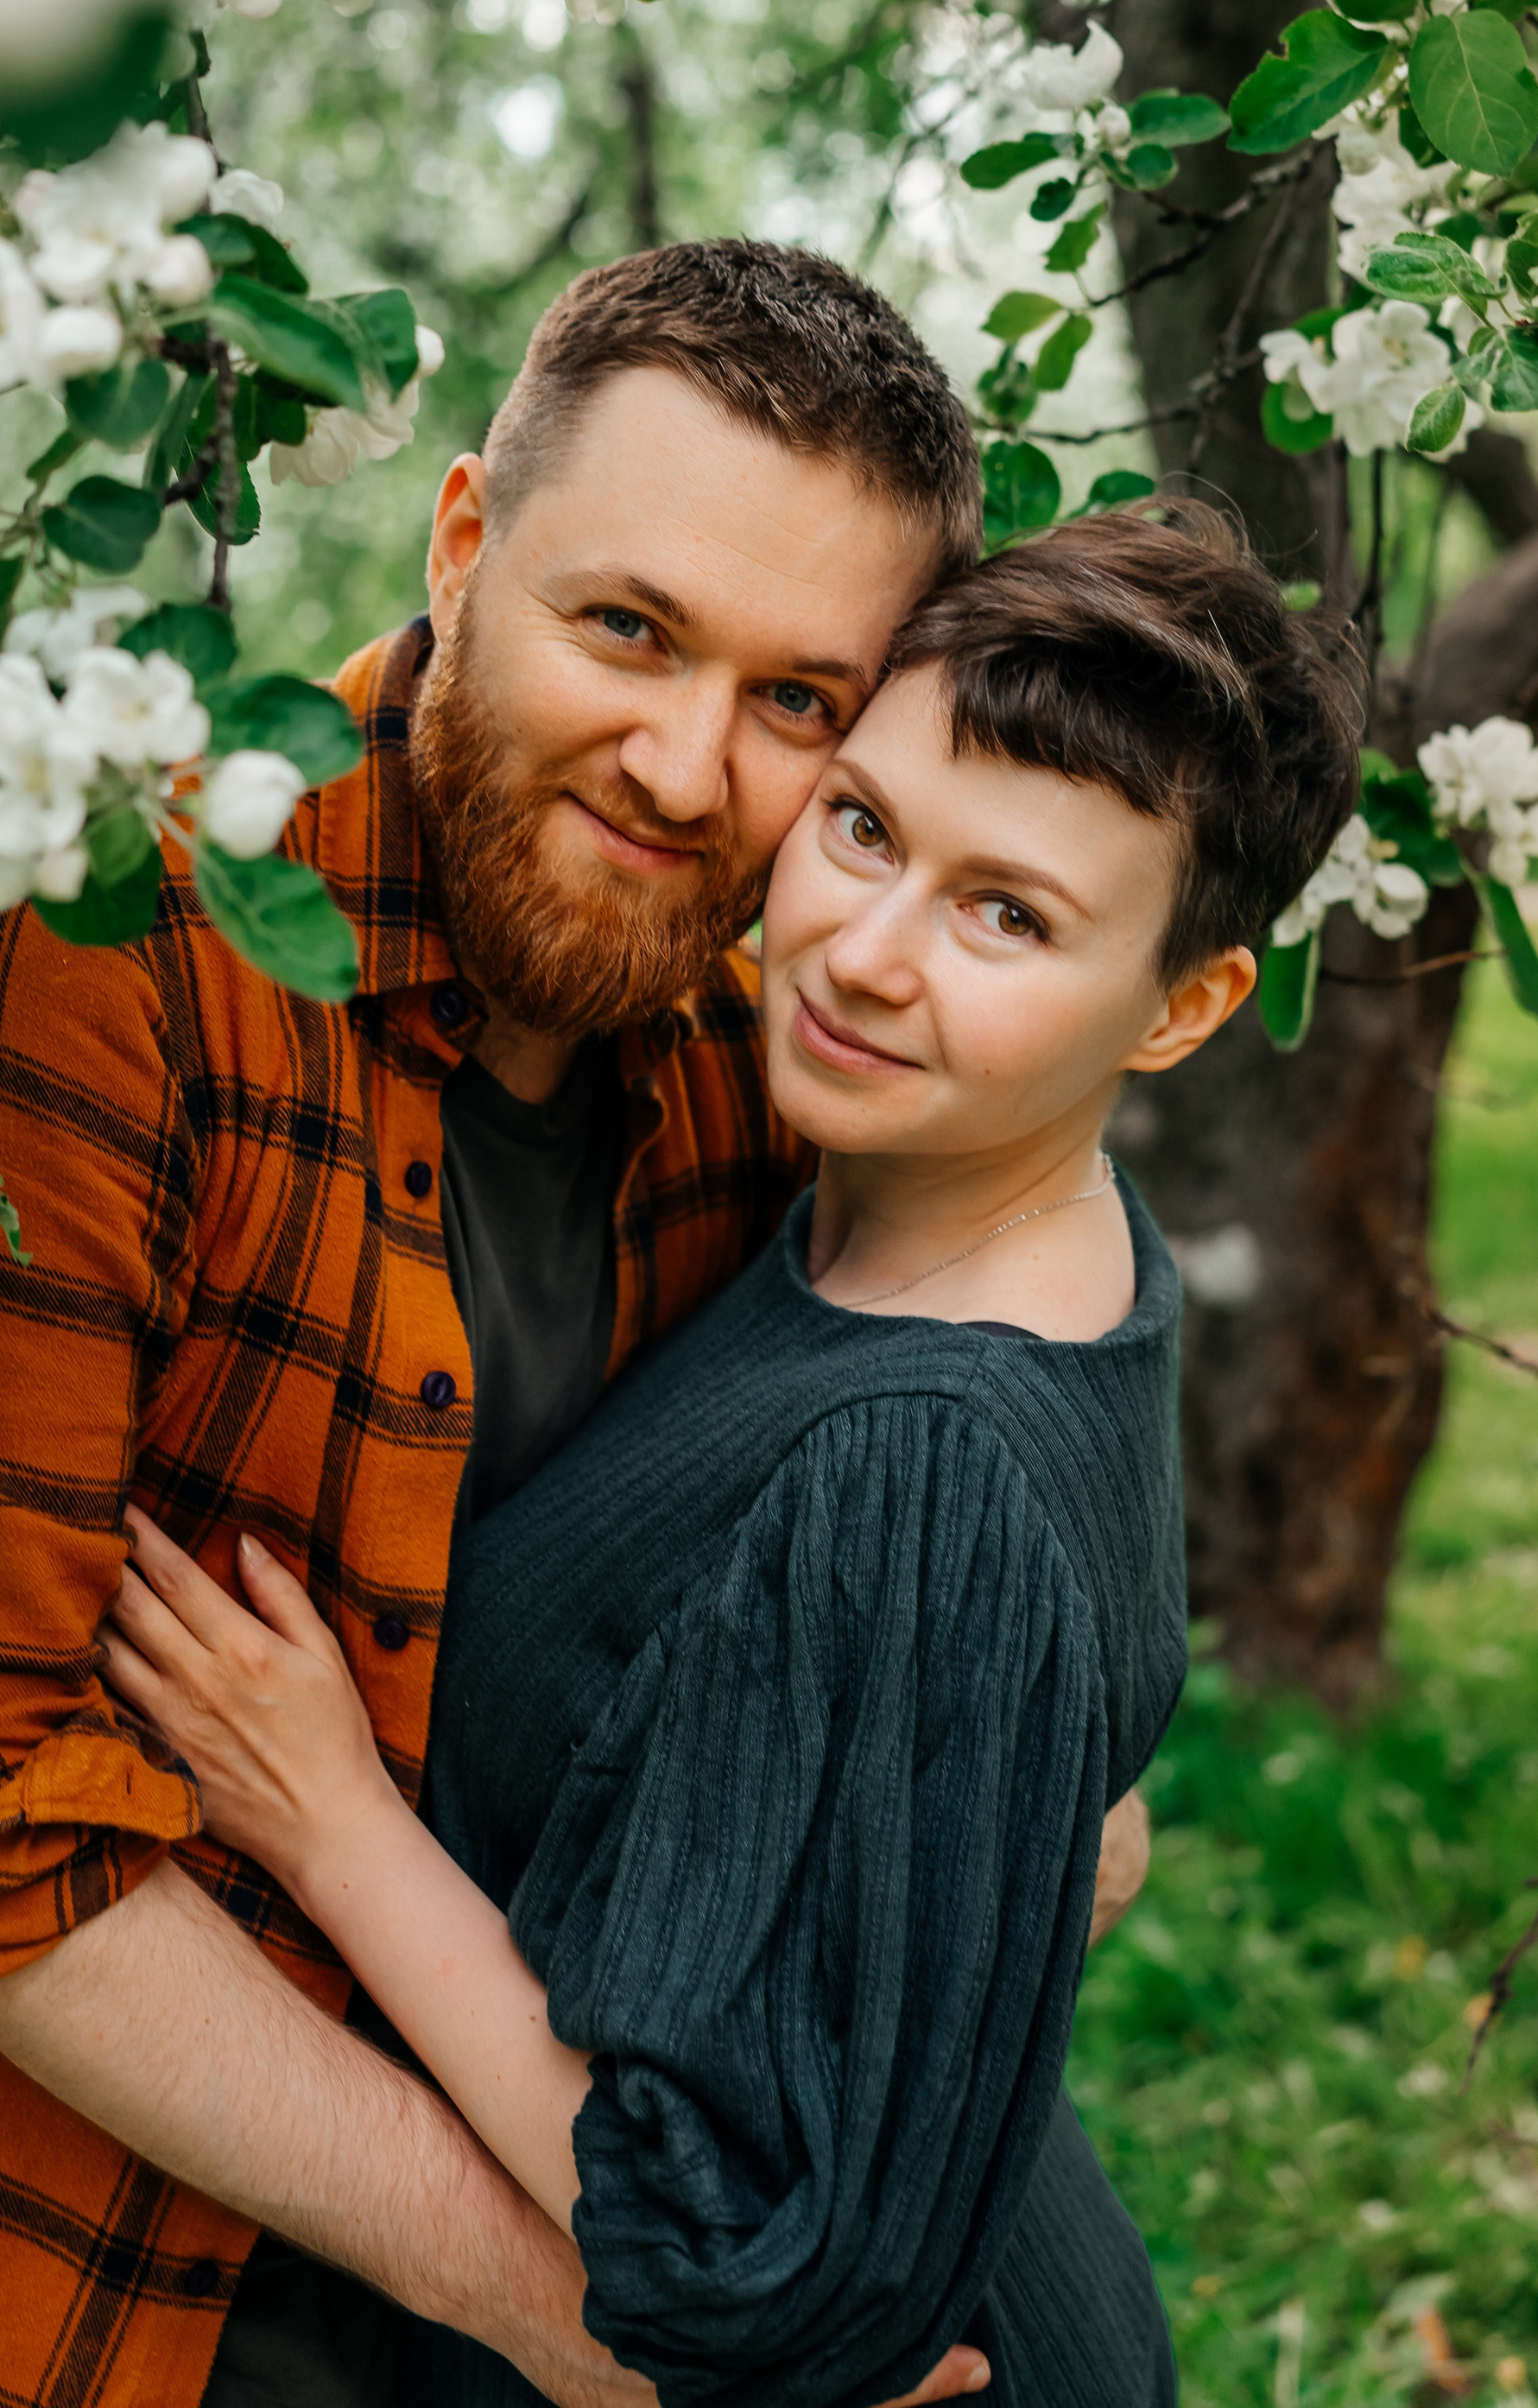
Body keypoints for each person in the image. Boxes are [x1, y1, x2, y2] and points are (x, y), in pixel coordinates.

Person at [0, 241, 1014, 2408]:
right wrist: (569, 2309)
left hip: (408, 2263)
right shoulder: (54, 943)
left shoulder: (751, 1070)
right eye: (626, 628)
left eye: (796, 699)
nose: (686, 768)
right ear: (459, 544)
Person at [99, 504, 1369, 2407]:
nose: (860, 956)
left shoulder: (926, 1453)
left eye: (1003, 915)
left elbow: (734, 2259)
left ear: (1179, 1008)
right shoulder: (962, 1214)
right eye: (860, 827)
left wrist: (335, 1823)